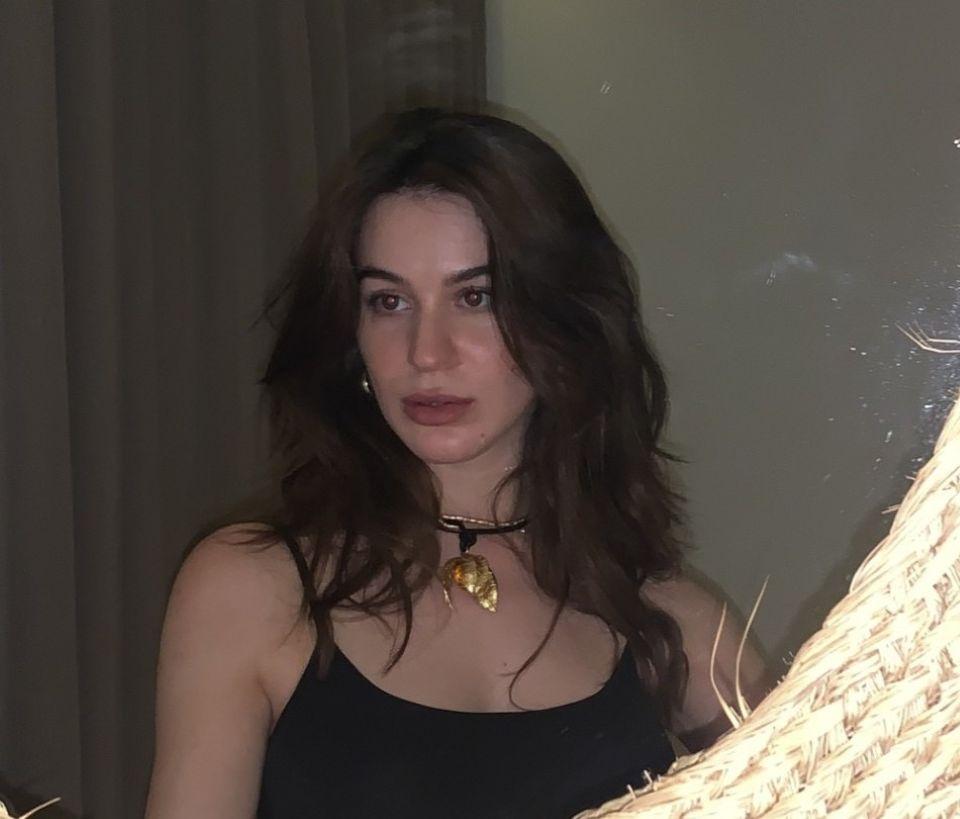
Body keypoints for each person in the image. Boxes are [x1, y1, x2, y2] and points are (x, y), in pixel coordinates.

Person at [144, 108, 773, 819]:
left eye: (475, 297)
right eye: (388, 301)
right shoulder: (251, 590)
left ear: (564, 323)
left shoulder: (670, 618)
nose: (426, 352)